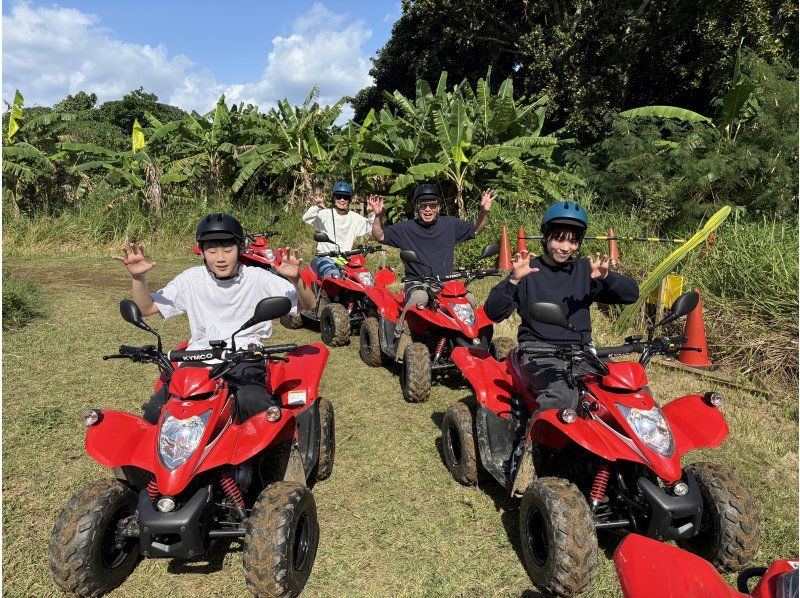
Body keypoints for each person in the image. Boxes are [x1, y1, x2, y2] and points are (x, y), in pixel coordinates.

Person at [113, 213, 316, 424]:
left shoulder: (258, 278)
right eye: (212, 250)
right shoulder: (191, 279)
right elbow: (146, 307)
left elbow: (308, 304)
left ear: (240, 249)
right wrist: (138, 277)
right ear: (201, 251)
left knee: (254, 405)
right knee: (155, 412)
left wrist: (295, 279)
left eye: (228, 250)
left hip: (244, 358)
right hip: (197, 359)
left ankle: (278, 452)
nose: (220, 258)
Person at [484, 201, 639, 414]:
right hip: (539, 353)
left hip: (582, 353)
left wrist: (606, 276)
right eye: (559, 239)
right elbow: (493, 312)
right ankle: (536, 445)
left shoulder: (586, 270)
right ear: (546, 236)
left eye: (573, 241)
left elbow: (632, 295)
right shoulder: (529, 271)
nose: (566, 248)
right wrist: (514, 280)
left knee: (626, 389)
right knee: (563, 397)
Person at [368, 183, 495, 337]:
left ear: (438, 207)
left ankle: (468, 339)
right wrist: (378, 216)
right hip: (417, 282)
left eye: (432, 205)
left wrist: (484, 211)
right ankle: (399, 335)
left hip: (445, 283)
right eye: (423, 206)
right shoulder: (405, 228)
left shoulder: (450, 224)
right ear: (416, 207)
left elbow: (476, 229)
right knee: (419, 298)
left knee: (468, 299)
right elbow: (379, 235)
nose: (428, 210)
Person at [303, 181, 375, 279]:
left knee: (362, 279)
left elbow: (371, 226)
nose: (342, 200)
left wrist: (371, 213)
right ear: (334, 198)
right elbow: (307, 218)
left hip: (344, 259)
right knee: (333, 276)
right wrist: (317, 207)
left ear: (349, 200)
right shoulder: (325, 214)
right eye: (339, 196)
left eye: (345, 197)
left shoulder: (354, 217)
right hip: (326, 258)